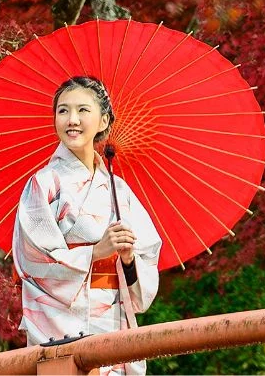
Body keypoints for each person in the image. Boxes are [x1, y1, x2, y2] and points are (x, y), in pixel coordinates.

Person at [12, 75, 162, 375]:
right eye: (63, 110)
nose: (72, 120)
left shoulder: (118, 189)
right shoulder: (43, 184)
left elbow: (147, 259)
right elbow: (34, 260)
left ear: (103, 120)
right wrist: (95, 252)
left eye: (83, 110)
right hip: (61, 321)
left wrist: (129, 258)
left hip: (113, 316)